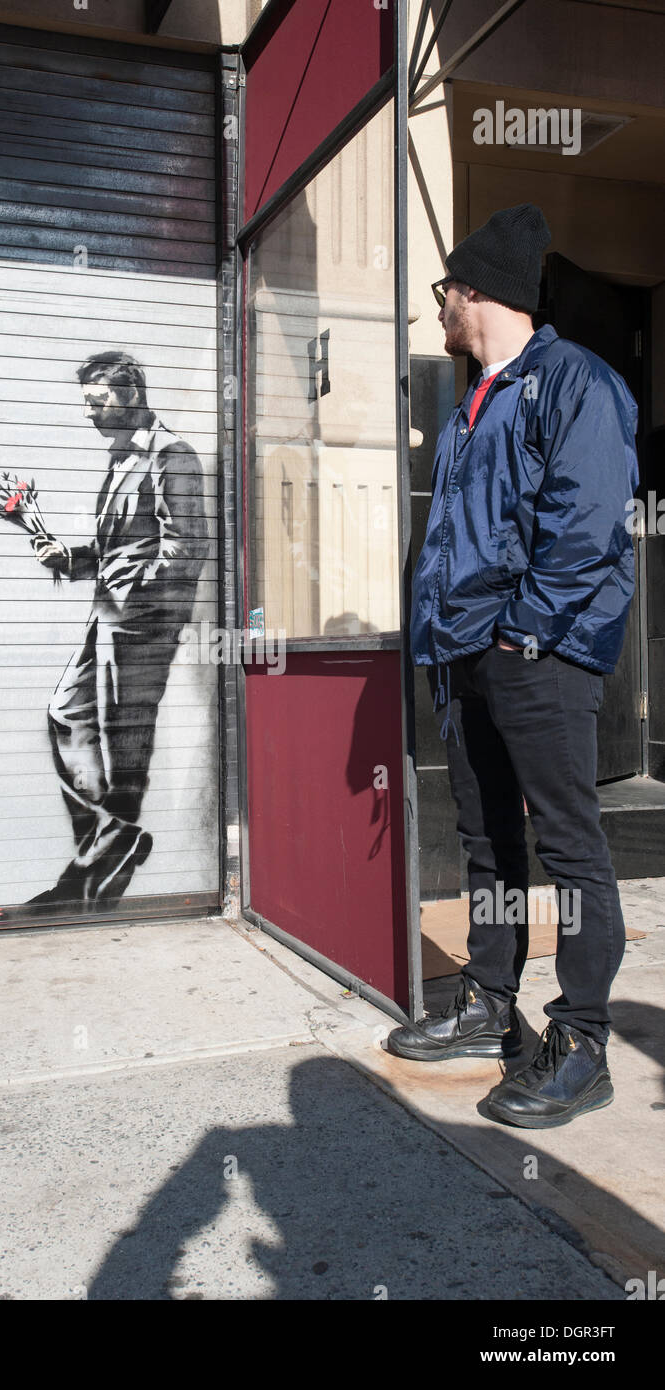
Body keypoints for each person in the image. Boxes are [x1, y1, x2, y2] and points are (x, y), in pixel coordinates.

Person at [386, 205, 640, 1128]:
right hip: (468, 657)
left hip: (539, 653)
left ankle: (582, 1042)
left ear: (473, 290)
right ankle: (493, 1008)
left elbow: (585, 526)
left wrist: (521, 632)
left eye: (442, 292)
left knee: (569, 847)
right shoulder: (469, 406)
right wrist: (448, 645)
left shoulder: (577, 383)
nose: (438, 310)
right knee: (489, 844)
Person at [29, 351, 207, 911]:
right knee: (66, 715)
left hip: (142, 625)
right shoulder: (122, 458)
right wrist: (74, 559)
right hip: (108, 615)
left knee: (121, 740)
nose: (89, 414)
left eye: (97, 402)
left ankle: (96, 862)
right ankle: (110, 841)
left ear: (131, 395)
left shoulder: (171, 456)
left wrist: (128, 594)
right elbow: (120, 548)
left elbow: (187, 549)